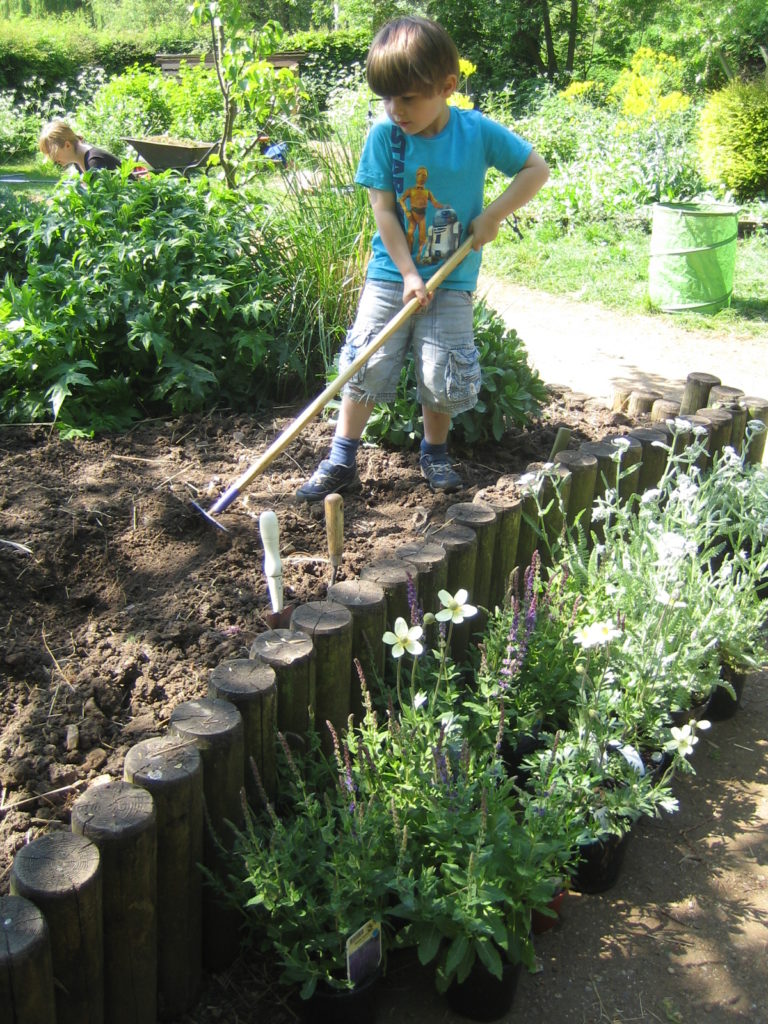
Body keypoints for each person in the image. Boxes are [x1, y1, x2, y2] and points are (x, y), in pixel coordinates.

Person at [296, 16, 549, 502]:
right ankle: (342, 456)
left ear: (447, 86)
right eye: (386, 98)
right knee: (366, 363)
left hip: (452, 280)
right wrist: (410, 273)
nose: (395, 110)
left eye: (407, 98)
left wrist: (493, 214)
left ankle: (434, 453)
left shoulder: (476, 133)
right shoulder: (385, 139)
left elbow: (536, 168)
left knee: (442, 371)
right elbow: (384, 214)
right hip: (392, 275)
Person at [39, 119, 122, 173]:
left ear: (67, 145)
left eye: (54, 153)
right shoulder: (79, 161)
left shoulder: (94, 162)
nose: (53, 159)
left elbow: (99, 198)